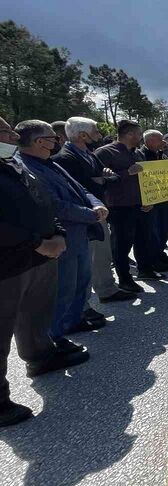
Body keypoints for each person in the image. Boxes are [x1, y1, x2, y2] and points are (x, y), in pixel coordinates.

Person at [0, 117, 89, 427]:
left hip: (40, 257)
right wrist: (38, 242)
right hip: (9, 262)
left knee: (35, 314)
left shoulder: (13, 164)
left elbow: (43, 203)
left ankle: (40, 357)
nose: (12, 135)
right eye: (5, 131)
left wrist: (58, 233)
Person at [16, 120, 108, 342]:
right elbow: (55, 205)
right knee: (63, 289)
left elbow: (81, 188)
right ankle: (55, 337)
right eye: (53, 138)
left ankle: (74, 320)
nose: (58, 141)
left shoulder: (49, 163)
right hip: (63, 236)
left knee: (81, 282)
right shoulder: (27, 167)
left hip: (80, 234)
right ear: (40, 142)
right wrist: (91, 214)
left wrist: (95, 203)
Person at [53, 117, 134, 316]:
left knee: (102, 254)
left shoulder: (89, 154)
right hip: (81, 216)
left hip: (98, 211)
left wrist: (102, 180)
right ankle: (81, 307)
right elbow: (82, 187)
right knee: (84, 263)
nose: (99, 135)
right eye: (95, 131)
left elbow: (108, 177)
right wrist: (102, 180)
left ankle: (107, 289)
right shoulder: (65, 159)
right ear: (82, 135)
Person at [94, 120, 158, 290]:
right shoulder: (104, 153)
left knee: (143, 238)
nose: (140, 137)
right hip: (119, 206)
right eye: (139, 134)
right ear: (130, 134)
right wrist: (126, 172)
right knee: (122, 244)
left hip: (140, 204)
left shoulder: (138, 154)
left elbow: (146, 180)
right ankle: (125, 279)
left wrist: (148, 199)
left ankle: (145, 269)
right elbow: (98, 181)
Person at [138, 130, 168, 268]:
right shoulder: (140, 155)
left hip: (164, 198)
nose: (163, 142)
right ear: (149, 141)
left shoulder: (161, 154)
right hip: (150, 200)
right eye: (160, 140)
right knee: (152, 232)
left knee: (164, 229)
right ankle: (152, 260)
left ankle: (160, 253)